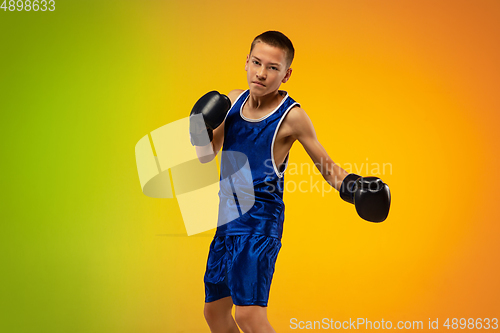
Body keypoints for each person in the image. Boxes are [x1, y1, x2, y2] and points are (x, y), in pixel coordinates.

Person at [189, 31, 390, 333]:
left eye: (273, 67)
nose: (261, 73)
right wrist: (198, 129)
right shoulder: (230, 102)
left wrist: (357, 189)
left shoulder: (291, 117)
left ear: (286, 74)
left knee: (248, 316)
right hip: (227, 219)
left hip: (259, 222)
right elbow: (207, 155)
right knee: (214, 312)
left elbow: (328, 168)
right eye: (256, 62)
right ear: (246, 61)